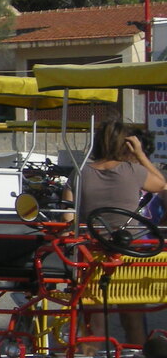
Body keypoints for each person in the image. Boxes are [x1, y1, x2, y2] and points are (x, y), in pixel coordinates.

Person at [74, 121, 167, 345]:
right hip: (129, 255)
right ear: (126, 145)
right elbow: (162, 184)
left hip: (92, 256)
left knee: (93, 325)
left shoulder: (80, 173)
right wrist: (142, 155)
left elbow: (70, 216)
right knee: (133, 320)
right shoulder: (133, 171)